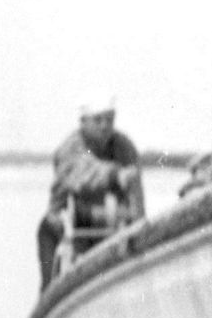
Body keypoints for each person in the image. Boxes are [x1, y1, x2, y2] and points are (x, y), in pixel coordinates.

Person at [38, 98, 143, 287]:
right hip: (61, 230)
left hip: (108, 229)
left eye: (109, 119)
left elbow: (134, 186)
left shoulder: (124, 147)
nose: (105, 126)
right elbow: (82, 174)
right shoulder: (70, 148)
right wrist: (115, 175)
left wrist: (139, 228)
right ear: (83, 122)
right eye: (98, 120)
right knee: (50, 288)